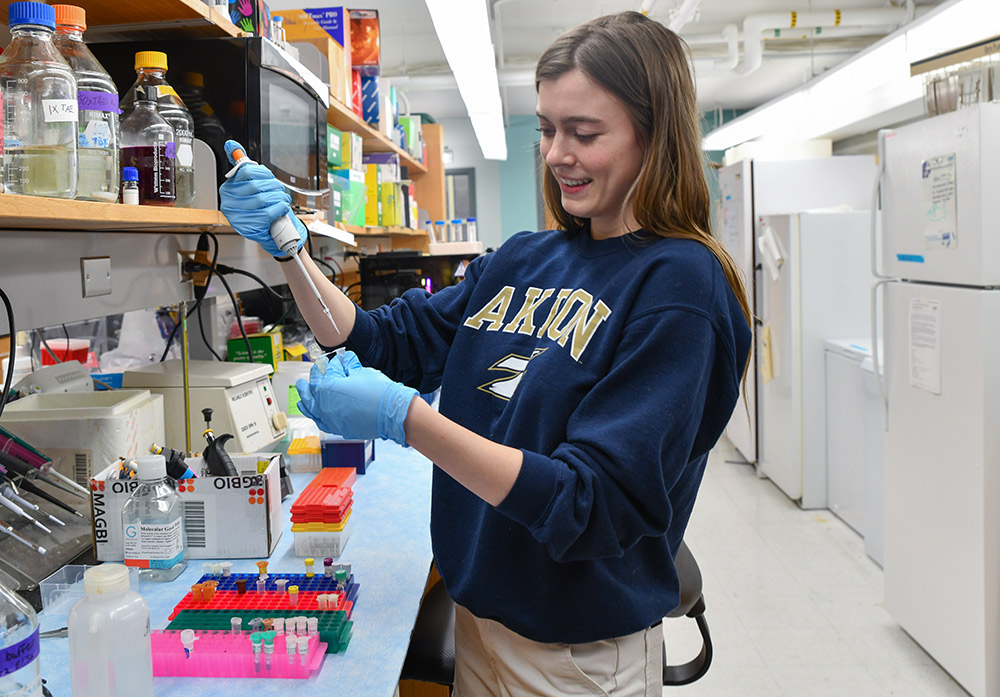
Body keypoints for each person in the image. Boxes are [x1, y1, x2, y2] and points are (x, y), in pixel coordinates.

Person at [220, 10, 751, 697]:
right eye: (549, 129)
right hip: (481, 623)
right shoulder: (527, 257)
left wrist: (406, 419)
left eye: (585, 133)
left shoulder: (680, 287)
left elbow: (588, 503)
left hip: (577, 657)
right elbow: (383, 341)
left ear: (656, 137)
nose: (558, 153)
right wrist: (288, 244)